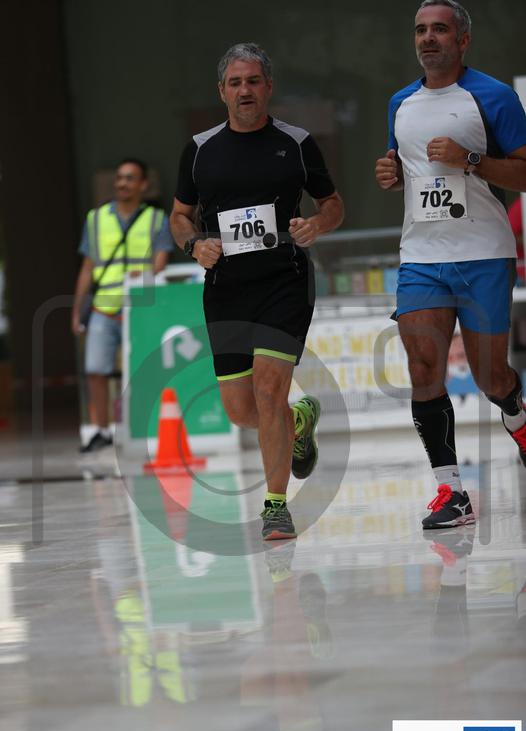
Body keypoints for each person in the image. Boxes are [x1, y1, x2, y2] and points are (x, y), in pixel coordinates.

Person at [170, 43, 344, 540]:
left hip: (283, 281)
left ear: (268, 87)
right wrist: (194, 244)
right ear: (221, 91)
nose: (244, 90)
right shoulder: (200, 149)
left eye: (252, 81)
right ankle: (299, 422)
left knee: (269, 392)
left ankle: (275, 506)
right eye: (235, 83)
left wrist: (317, 225)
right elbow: (179, 216)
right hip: (226, 289)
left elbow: (333, 204)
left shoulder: (296, 142)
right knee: (242, 410)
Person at [375, 0, 526, 528]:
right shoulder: (400, 102)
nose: (428, 38)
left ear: (463, 40)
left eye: (439, 29)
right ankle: (451, 491)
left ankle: (517, 415)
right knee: (422, 368)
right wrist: (391, 173)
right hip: (421, 256)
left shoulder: (494, 96)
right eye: (421, 30)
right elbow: (405, 166)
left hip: (484, 254)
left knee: (491, 378)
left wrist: (470, 159)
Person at [72, 158, 174, 452]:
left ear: (144, 184)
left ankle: (146, 429)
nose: (122, 183)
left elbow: (160, 264)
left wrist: (143, 277)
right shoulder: (95, 219)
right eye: (119, 177)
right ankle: (101, 431)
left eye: (130, 178)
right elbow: (87, 268)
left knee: (144, 370)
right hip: (103, 307)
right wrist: (77, 310)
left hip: (140, 308)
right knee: (95, 369)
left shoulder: (157, 219)